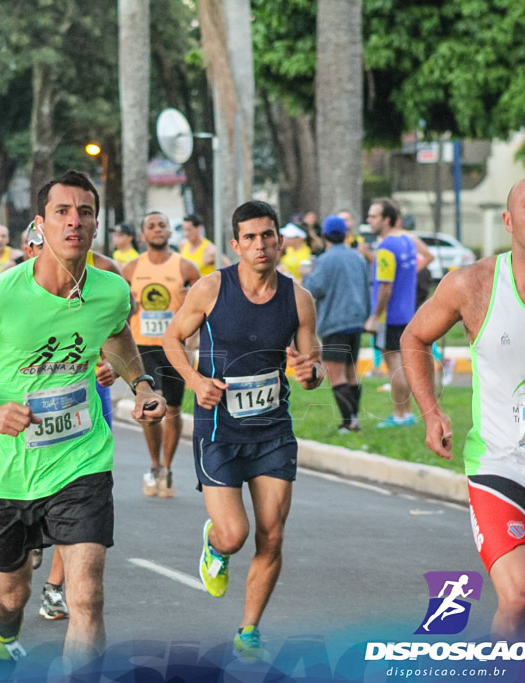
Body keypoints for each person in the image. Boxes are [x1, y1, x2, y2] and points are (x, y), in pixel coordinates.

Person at [0, 170, 164, 668]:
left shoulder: (112, 290)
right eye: (62, 212)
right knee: (12, 594)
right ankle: (4, 632)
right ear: (40, 225)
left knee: (86, 597)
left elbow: (115, 334)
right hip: (4, 470)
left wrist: (140, 382)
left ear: (96, 224)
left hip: (80, 458)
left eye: (85, 212)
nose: (74, 221)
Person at [162, 199, 323, 663]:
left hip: (273, 431)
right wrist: (194, 381)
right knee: (236, 535)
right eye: (250, 237)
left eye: (268, 235)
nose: (260, 245)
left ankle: (248, 629)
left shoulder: (298, 298)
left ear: (280, 241)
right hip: (220, 431)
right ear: (235, 244)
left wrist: (308, 372)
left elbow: (311, 371)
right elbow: (172, 338)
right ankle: (216, 544)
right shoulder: (212, 288)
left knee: (271, 536)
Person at [402, 172, 525, 649]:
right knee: (518, 598)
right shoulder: (473, 285)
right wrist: (431, 412)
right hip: (502, 470)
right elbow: (414, 338)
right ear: (509, 221)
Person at [21, 222, 122, 622]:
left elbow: (115, 335)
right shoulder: (16, 294)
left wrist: (113, 368)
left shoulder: (105, 276)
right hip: (31, 418)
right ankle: (32, 533)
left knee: (78, 500)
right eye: (36, 247)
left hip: (85, 408)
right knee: (39, 498)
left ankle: (54, 587)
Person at [124, 211, 201, 498]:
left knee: (173, 408)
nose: (157, 230)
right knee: (149, 406)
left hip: (174, 346)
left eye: (162, 225)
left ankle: (167, 469)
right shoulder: (131, 270)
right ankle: (154, 464)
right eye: (151, 226)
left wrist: (192, 338)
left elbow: (203, 306)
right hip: (142, 346)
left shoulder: (187, 268)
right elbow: (120, 311)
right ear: (143, 236)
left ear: (170, 232)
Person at [302, 215, 369, 433]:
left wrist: (306, 276)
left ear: (324, 235)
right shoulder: (358, 258)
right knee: (351, 372)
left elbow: (315, 289)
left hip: (334, 323)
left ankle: (348, 422)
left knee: (335, 373)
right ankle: (354, 418)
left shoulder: (325, 260)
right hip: (356, 321)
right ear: (346, 235)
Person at [364, 197, 418, 428]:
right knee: (403, 364)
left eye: (374, 216)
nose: (369, 220)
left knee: (393, 364)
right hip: (406, 313)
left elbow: (385, 285)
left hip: (389, 315)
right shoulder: (407, 241)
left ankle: (399, 416)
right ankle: (407, 413)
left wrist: (375, 315)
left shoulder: (386, 247)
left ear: (386, 219)